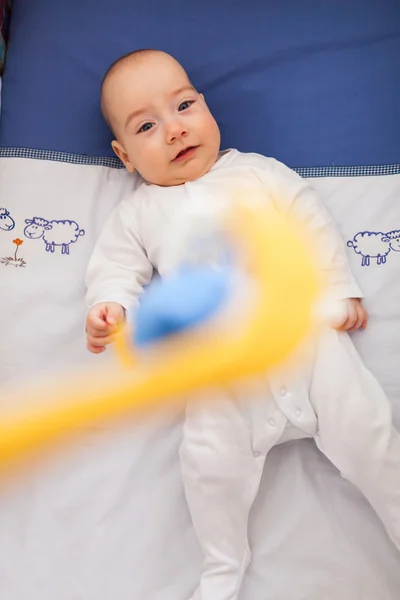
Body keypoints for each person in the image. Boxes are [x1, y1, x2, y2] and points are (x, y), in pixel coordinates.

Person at [85, 49, 400, 600]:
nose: (175, 129)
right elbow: (116, 269)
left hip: (303, 339)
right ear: (125, 155)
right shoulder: (137, 213)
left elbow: (309, 218)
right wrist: (111, 308)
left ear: (205, 106)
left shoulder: (257, 173)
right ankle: (221, 566)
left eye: (184, 106)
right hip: (223, 364)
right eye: (147, 126)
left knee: (370, 433)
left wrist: (336, 287)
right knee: (208, 466)